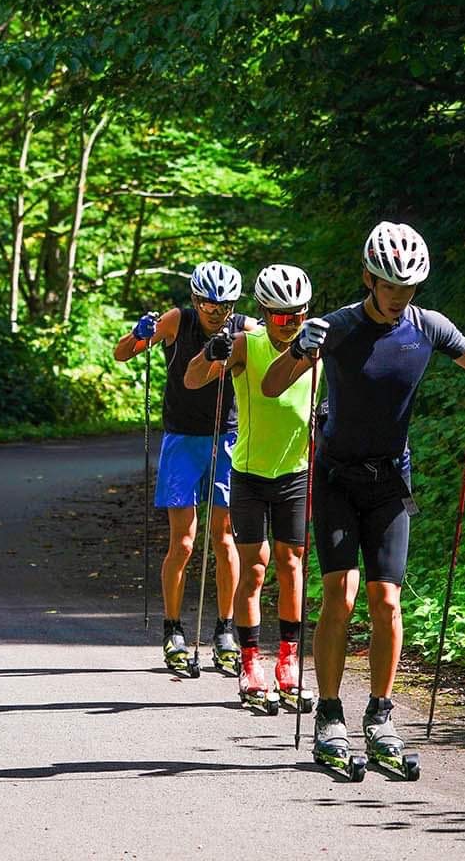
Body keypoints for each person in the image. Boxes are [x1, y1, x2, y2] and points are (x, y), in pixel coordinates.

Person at [262, 221, 465, 772]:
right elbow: (273, 386)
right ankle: (329, 713)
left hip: (391, 480)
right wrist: (299, 348)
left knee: (387, 601)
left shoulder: (430, 326)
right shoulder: (338, 327)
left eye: (409, 288)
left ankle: (380, 713)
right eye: (391, 287)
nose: (399, 298)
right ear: (369, 279)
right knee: (339, 596)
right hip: (335, 477)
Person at [184, 264, 317, 713]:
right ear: (264, 312)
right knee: (255, 568)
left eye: (296, 314)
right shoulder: (246, 342)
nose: (288, 323)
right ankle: (248, 662)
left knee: (292, 563)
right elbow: (192, 379)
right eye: (279, 315)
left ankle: (289, 661)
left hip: (296, 472)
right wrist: (210, 353)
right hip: (248, 473)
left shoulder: (316, 346)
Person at [114, 261, 254, 673]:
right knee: (185, 542)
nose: (216, 312)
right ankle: (173, 629)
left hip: (229, 438)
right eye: (209, 304)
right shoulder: (179, 321)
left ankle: (225, 629)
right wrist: (138, 335)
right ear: (195, 300)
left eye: (224, 305)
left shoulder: (245, 329)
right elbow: (124, 355)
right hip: (182, 439)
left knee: (224, 538)